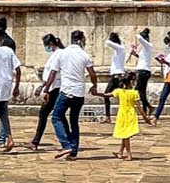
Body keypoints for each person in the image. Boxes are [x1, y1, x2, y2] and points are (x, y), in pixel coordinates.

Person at [52, 29, 97, 160]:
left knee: (56, 117)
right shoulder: (84, 55)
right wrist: (94, 86)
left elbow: (53, 73)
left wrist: (46, 88)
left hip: (66, 91)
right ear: (81, 40)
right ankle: (73, 151)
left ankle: (66, 144)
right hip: (78, 93)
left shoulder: (62, 54)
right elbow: (93, 74)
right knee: (73, 121)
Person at [30, 34, 63, 151]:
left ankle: (35, 141)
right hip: (52, 87)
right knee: (59, 116)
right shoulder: (54, 55)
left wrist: (45, 89)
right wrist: (42, 85)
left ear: (50, 44)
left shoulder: (58, 54)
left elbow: (53, 74)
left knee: (44, 114)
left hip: (55, 88)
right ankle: (68, 142)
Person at [112, 72, 141, 160]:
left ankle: (129, 155)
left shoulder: (120, 91)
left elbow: (107, 95)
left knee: (125, 136)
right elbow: (139, 107)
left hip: (124, 115)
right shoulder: (134, 93)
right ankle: (120, 152)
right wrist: (146, 118)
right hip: (130, 115)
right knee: (125, 135)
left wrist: (97, 93)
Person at [130, 26, 154, 119]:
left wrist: (136, 35)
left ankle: (147, 107)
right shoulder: (145, 49)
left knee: (136, 91)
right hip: (143, 70)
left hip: (143, 71)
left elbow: (140, 38)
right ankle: (145, 109)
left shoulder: (148, 46)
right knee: (141, 92)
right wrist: (135, 53)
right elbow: (142, 58)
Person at [103, 31, 128, 121]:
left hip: (118, 76)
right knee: (106, 95)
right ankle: (108, 116)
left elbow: (107, 43)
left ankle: (124, 115)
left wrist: (108, 37)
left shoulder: (120, 48)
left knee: (123, 97)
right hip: (115, 76)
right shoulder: (117, 51)